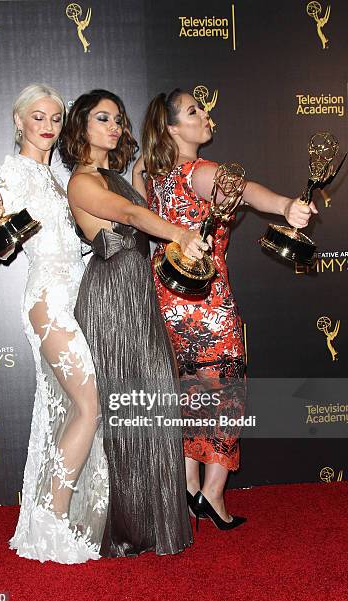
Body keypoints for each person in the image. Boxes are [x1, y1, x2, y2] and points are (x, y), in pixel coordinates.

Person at [133, 88, 318, 529]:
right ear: (173, 128)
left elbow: (143, 179)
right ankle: (214, 496)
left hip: (165, 298)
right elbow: (246, 190)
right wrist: (287, 206)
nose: (206, 114)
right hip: (208, 302)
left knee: (187, 393)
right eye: (194, 111)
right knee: (224, 392)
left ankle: (190, 486)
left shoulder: (151, 173)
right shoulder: (200, 171)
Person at [60, 89, 208, 557]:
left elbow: (142, 196)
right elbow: (128, 214)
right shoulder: (83, 182)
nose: (115, 127)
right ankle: (129, 529)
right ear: (81, 126)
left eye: (119, 120)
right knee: (127, 413)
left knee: (155, 403)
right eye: (103, 118)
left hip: (138, 294)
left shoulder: (117, 176)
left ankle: (155, 523)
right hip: (110, 300)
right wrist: (179, 234)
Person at [0, 84, 108, 563]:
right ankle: (51, 521)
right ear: (19, 122)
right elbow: (4, 243)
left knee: (75, 408)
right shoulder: (12, 172)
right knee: (87, 405)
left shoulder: (57, 176)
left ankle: (53, 515)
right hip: (49, 300)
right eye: (38, 116)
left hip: (75, 298)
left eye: (56, 117)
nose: (49, 125)